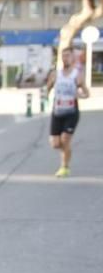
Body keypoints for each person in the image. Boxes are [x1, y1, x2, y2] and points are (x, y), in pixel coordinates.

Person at [44, 46, 89, 177]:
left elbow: (87, 94)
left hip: (72, 112)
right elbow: (47, 90)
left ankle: (65, 167)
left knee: (65, 139)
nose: (65, 58)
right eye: (63, 56)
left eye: (68, 55)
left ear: (72, 58)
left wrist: (80, 95)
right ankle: (66, 151)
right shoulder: (55, 74)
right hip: (57, 112)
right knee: (55, 143)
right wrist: (45, 98)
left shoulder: (77, 75)